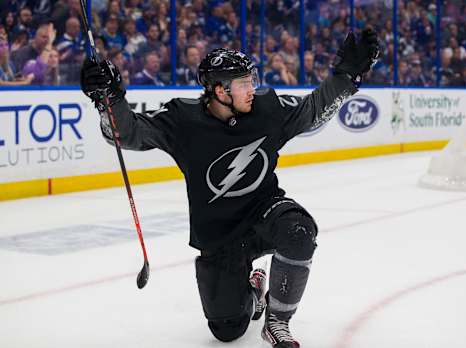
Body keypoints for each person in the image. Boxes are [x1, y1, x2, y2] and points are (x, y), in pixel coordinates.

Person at [81, 28, 379, 348]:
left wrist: (347, 78)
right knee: (227, 330)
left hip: (264, 213)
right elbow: (125, 135)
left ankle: (276, 323)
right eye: (243, 83)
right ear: (221, 91)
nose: (252, 88)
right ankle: (255, 293)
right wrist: (109, 98)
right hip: (218, 235)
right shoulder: (182, 119)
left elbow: (313, 110)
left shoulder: (267, 108)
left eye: (252, 80)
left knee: (299, 231)